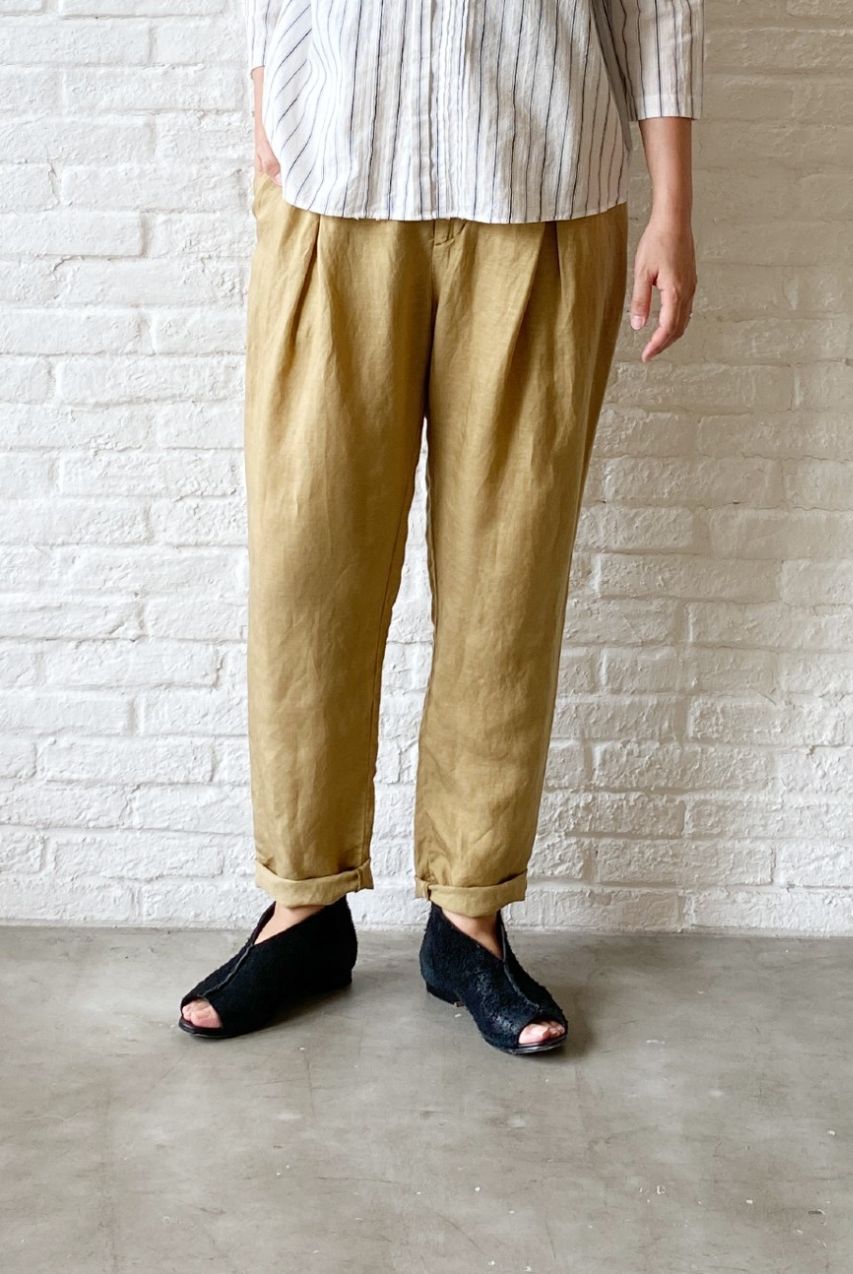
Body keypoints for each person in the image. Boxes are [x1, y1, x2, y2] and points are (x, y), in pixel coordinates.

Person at [178, 0, 703, 1055]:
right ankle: (302, 905)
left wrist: (673, 208)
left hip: (539, 182)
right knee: (307, 565)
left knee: (507, 574)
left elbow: (657, 10)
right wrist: (268, 104)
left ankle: (469, 919)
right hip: (334, 185)